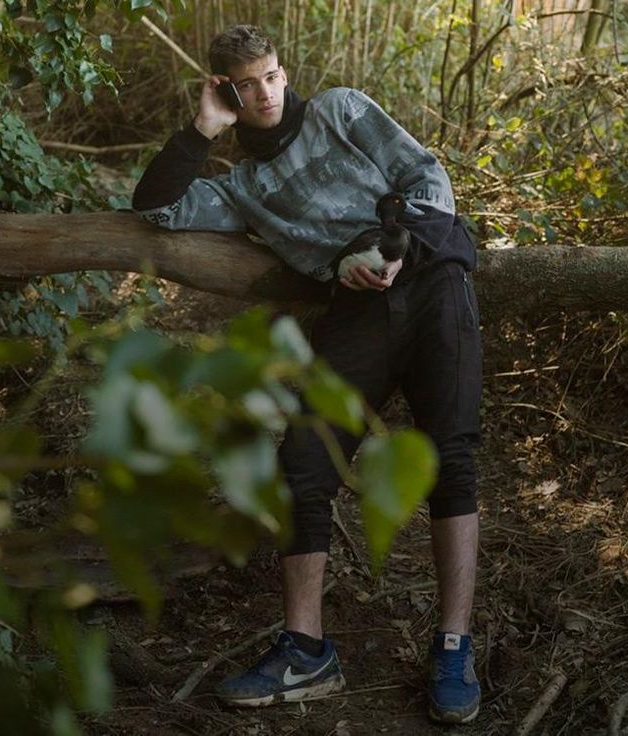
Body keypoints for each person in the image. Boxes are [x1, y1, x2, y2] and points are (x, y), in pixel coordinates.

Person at [132, 24, 483, 725]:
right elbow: (157, 208)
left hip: (431, 274)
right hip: (355, 306)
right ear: (226, 90)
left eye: (271, 77)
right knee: (304, 460)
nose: (264, 93)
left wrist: (390, 247)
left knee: (451, 455)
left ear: (283, 73)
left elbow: (427, 177)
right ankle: (306, 650)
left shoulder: (340, 109)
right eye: (246, 85)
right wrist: (202, 129)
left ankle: (453, 647)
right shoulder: (243, 189)